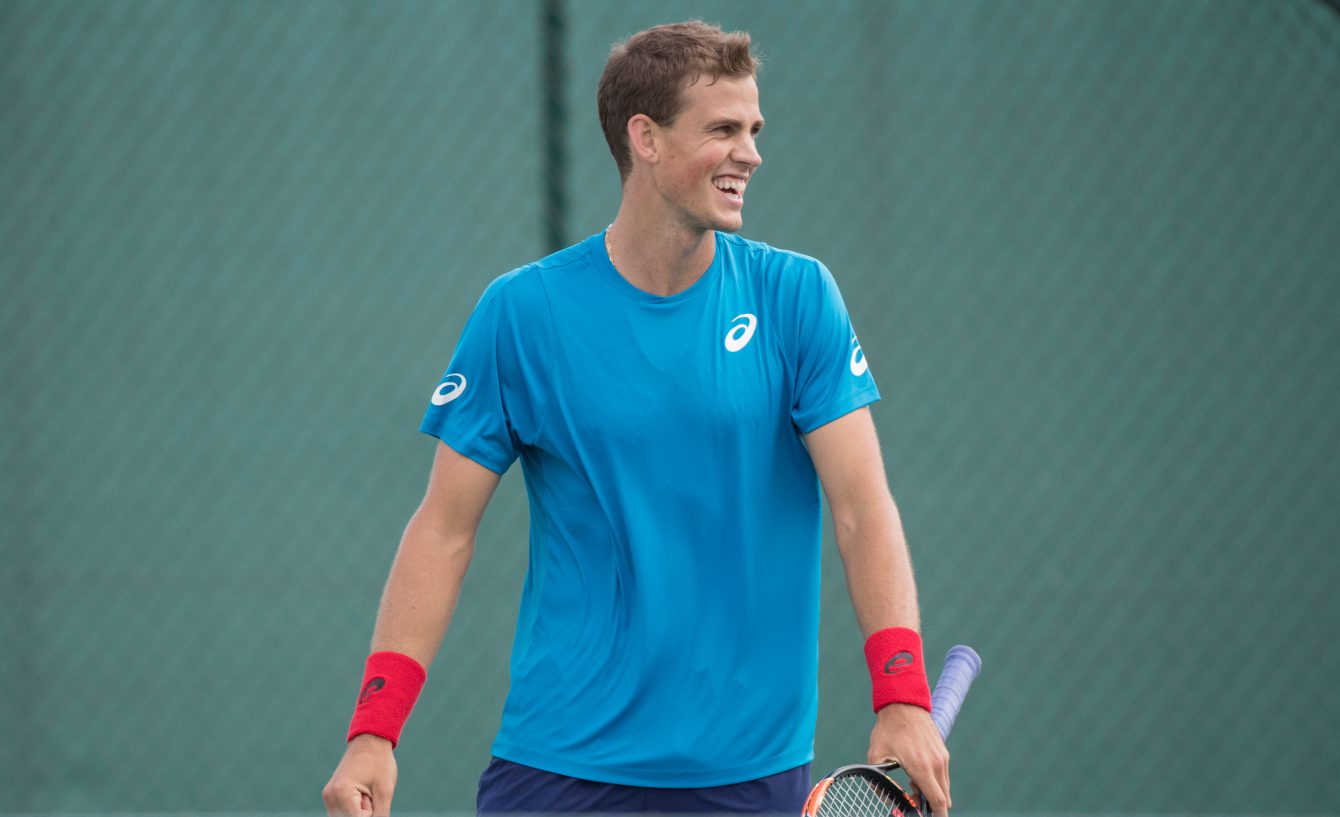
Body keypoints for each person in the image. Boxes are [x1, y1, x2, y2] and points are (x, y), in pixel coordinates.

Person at [322, 20, 951, 817]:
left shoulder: (797, 299)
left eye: (754, 129)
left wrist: (902, 694)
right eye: (723, 129)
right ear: (645, 138)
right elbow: (443, 528)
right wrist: (374, 728)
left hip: (750, 777)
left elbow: (864, 508)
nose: (750, 152)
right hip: (558, 770)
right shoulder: (523, 312)